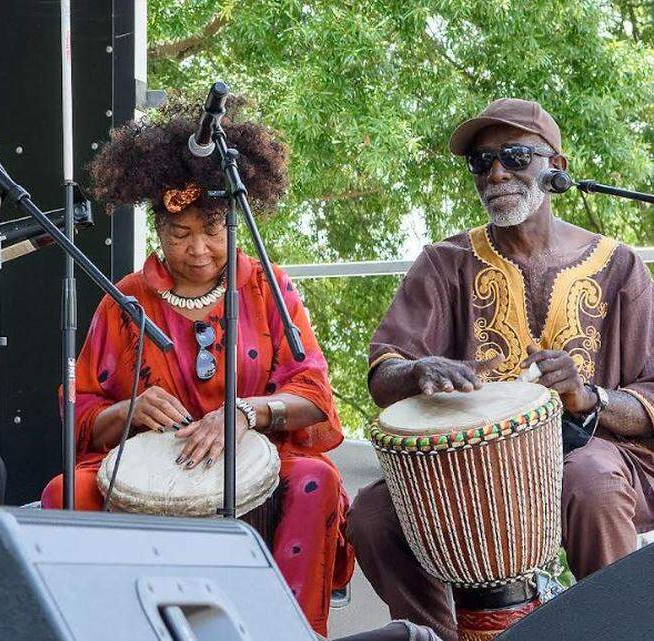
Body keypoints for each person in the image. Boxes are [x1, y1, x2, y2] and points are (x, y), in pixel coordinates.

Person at [346, 98, 654, 641]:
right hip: (470, 466)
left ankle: (614, 632)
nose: (495, 173)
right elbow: (383, 370)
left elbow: (651, 393)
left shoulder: (620, 264)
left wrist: (590, 397)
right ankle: (434, 637)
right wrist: (420, 371)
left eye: (514, 157)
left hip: (593, 453)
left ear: (555, 168)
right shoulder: (445, 261)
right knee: (374, 515)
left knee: (591, 482)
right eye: (481, 163)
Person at [40, 109, 354, 636]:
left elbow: (314, 391)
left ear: (232, 223)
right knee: (65, 492)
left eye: (212, 230)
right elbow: (80, 407)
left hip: (261, 458)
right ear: (158, 229)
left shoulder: (267, 288)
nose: (198, 249)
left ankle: (289, 633)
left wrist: (246, 413)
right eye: (180, 233)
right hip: (150, 467)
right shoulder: (126, 300)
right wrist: (127, 411)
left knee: (315, 479)